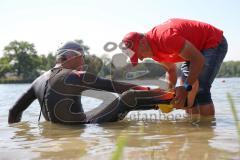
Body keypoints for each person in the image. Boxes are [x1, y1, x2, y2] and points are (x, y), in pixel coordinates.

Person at [8, 41, 173, 125]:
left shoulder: (37, 80)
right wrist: (153, 91)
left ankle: (162, 102)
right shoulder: (75, 75)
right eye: (82, 57)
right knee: (129, 98)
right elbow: (114, 86)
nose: (83, 61)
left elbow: (14, 111)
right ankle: (172, 99)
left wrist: (15, 138)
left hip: (62, 129)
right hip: (85, 127)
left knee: (119, 102)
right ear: (73, 56)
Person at [122, 18, 228, 116]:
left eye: (138, 54)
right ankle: (193, 128)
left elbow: (198, 59)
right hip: (194, 52)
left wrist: (186, 88)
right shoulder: (153, 52)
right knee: (186, 92)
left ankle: (205, 131)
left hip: (212, 41)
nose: (140, 59)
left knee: (200, 89)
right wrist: (168, 91)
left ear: (143, 42)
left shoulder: (166, 37)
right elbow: (171, 70)